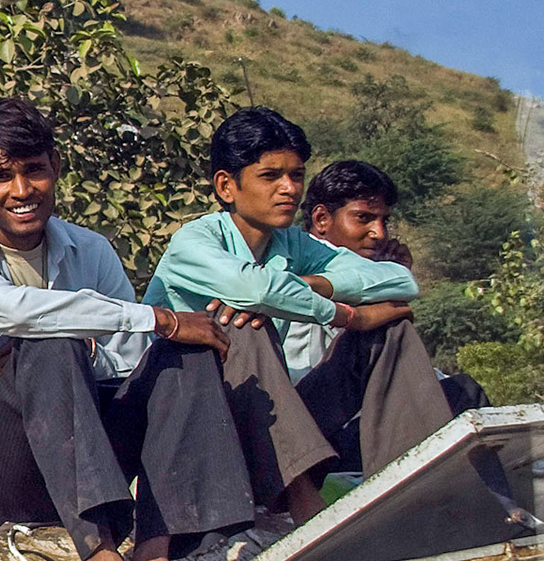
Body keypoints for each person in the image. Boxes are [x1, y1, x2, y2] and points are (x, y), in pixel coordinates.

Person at [0, 99, 254, 561]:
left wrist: (94, 348)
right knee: (50, 341)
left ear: (55, 167)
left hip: (81, 453)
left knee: (184, 352)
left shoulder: (89, 249)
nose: (22, 190)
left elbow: (128, 359)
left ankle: (154, 553)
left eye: (34, 170)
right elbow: (13, 310)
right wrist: (156, 318)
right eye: (2, 177)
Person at [144, 108, 455, 527]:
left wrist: (315, 284)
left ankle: (418, 489)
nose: (289, 189)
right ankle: (303, 501)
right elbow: (255, 290)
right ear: (226, 186)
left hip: (274, 418)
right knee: (241, 323)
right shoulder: (194, 241)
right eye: (270, 176)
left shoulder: (293, 244)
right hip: (195, 419)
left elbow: (399, 280)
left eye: (296, 175)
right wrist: (347, 316)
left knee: (391, 330)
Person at [295, 159, 487, 416]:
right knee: (464, 393)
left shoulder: (354, 272)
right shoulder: (317, 270)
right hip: (317, 415)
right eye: (363, 218)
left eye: (384, 221)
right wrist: (391, 278)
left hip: (337, 406)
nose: (379, 233)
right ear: (321, 219)